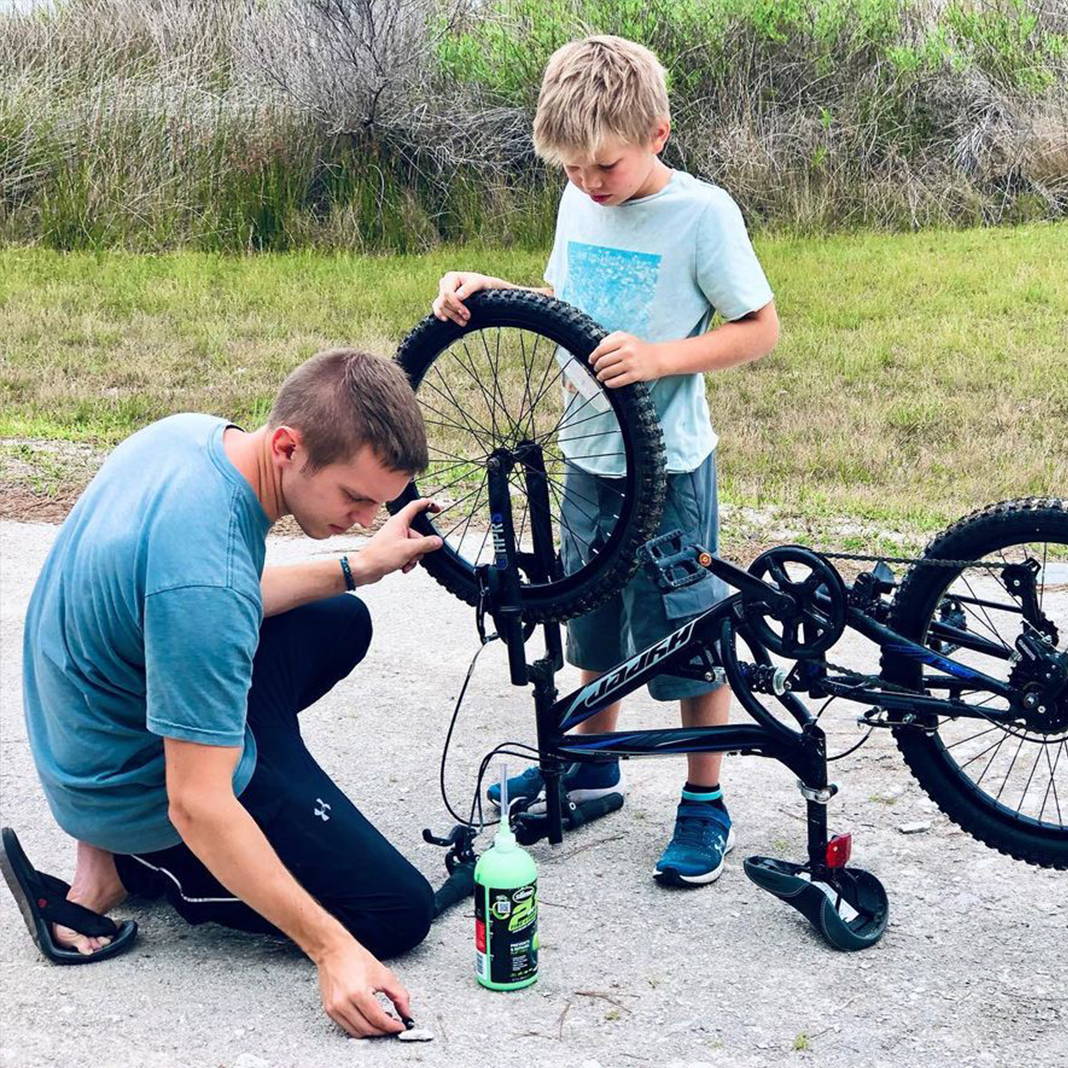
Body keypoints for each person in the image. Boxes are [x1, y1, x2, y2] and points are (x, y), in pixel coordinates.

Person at [4, 348, 443, 1038]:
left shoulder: (193, 437)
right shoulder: (203, 579)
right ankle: (131, 859)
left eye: (378, 503)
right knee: (394, 912)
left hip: (97, 710)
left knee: (340, 618)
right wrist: (331, 952)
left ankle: (239, 765)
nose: (365, 517)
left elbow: (217, 597)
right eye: (354, 497)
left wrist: (360, 567)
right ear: (289, 447)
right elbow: (196, 800)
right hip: (131, 786)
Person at [431, 36, 779, 887]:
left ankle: (705, 799)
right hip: (586, 455)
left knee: (686, 632)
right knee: (587, 613)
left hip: (670, 469)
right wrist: (492, 295)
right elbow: (571, 307)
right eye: (574, 166)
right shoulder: (576, 198)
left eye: (607, 166)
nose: (590, 182)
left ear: (657, 134)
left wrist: (659, 358)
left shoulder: (703, 216)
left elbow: (760, 329)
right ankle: (593, 762)